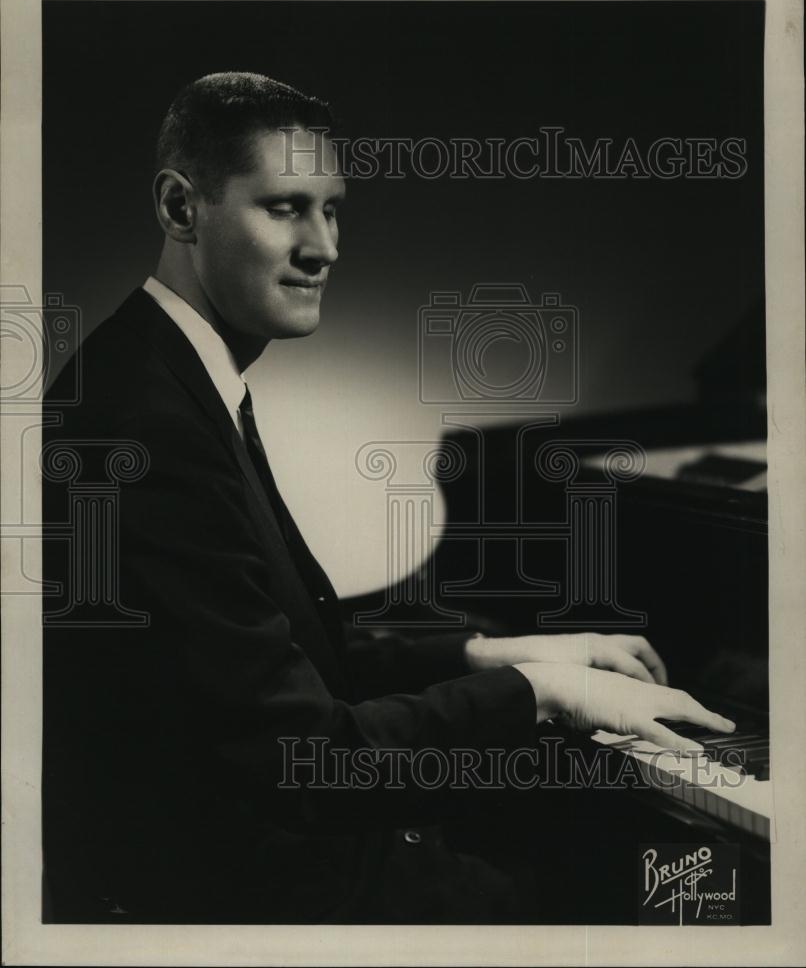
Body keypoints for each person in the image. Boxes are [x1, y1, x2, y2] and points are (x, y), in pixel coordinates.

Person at [41, 72, 735, 925]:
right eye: (286, 206)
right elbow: (303, 752)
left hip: (251, 858)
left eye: (333, 208)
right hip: (247, 899)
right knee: (610, 903)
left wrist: (488, 657)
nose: (324, 245)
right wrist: (548, 693)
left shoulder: (162, 376)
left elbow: (273, 661)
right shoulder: (148, 423)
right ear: (182, 209)